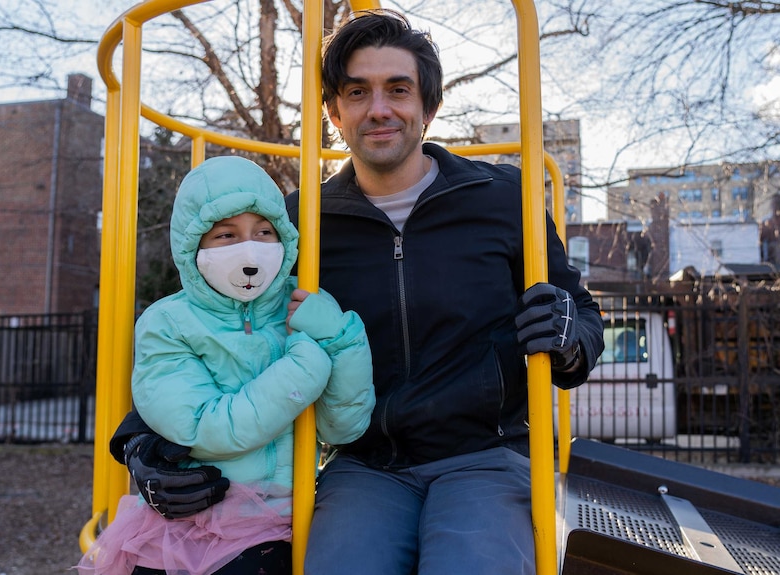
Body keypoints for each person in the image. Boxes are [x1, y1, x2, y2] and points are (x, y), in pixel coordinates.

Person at [110, 9, 604, 575]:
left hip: (484, 456)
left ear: (428, 106)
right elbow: (212, 323)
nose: (379, 108)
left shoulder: (499, 198)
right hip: (365, 463)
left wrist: (568, 338)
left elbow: (581, 315)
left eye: (398, 89)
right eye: (356, 91)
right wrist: (141, 443)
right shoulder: (304, 223)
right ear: (333, 112)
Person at [78, 155, 375, 575]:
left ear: (285, 240)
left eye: (264, 231)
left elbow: (341, 427)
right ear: (192, 245)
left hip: (296, 515)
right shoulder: (168, 323)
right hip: (202, 522)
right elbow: (200, 426)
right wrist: (306, 364)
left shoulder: (302, 305)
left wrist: (342, 338)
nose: (249, 248)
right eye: (226, 235)